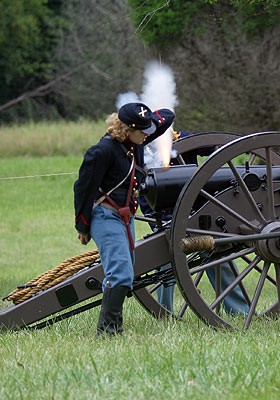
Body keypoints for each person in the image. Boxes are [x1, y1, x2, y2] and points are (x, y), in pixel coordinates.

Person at [74, 102, 175, 336]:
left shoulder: (134, 142)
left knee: (126, 274)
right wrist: (83, 226)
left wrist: (148, 118)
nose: (148, 135)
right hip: (104, 215)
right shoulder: (102, 151)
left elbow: (167, 118)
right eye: (143, 131)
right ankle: (108, 332)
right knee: (120, 274)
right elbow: (83, 190)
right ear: (127, 129)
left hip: (125, 216)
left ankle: (111, 328)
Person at [141, 129, 249, 315]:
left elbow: (212, 144)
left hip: (197, 215)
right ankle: (164, 311)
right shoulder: (140, 151)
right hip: (164, 218)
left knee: (218, 255)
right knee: (164, 261)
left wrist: (240, 143)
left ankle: (238, 310)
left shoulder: (182, 139)